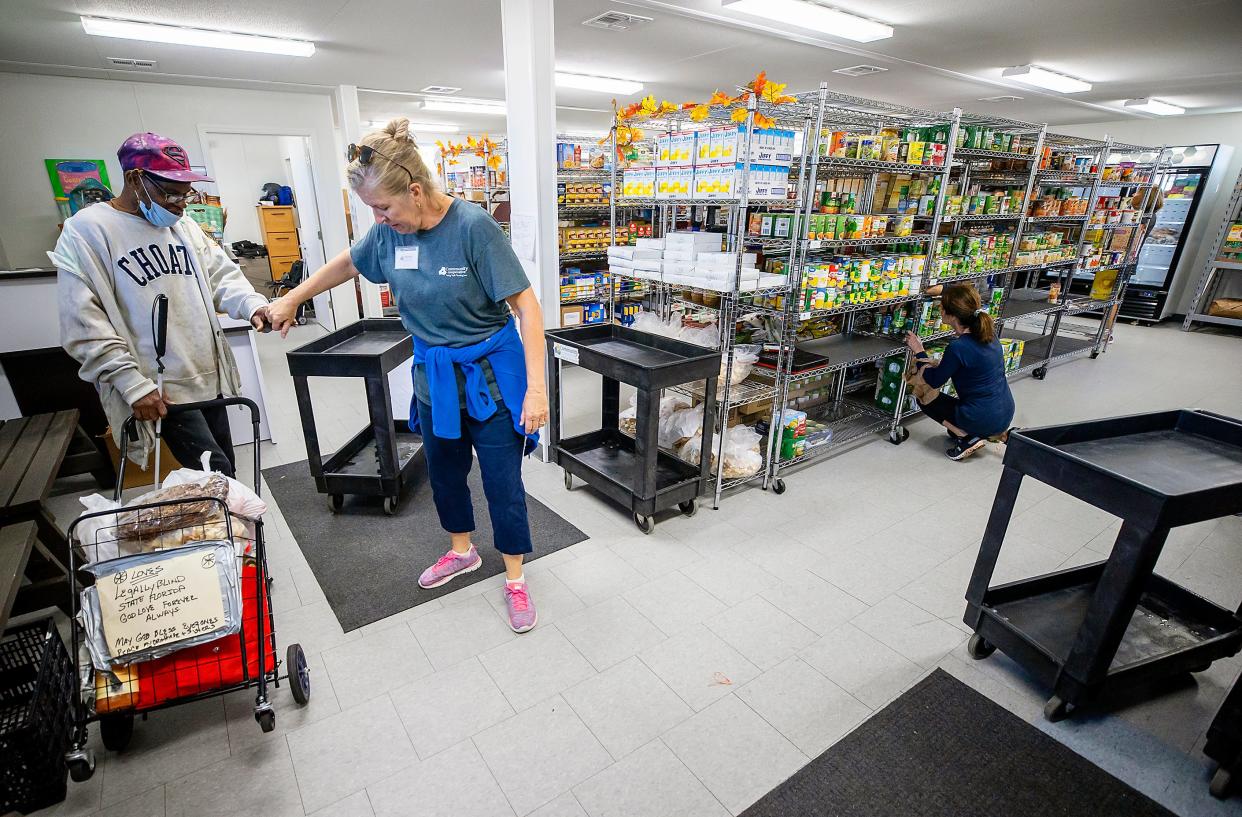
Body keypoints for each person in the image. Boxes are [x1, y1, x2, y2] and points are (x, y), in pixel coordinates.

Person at [266, 118, 547, 634]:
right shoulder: (386, 234)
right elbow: (349, 262)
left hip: (490, 375)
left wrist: (535, 388)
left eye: (385, 208)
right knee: (444, 472)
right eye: (372, 210)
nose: (379, 219)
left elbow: (527, 307)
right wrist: (292, 298)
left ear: (416, 191)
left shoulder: (473, 228)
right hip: (436, 377)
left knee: (503, 481)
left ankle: (514, 577)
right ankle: (462, 551)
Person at [52, 133, 273, 478]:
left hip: (208, 376)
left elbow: (220, 276)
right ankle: (225, 529)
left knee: (223, 469)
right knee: (215, 472)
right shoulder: (87, 231)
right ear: (133, 179)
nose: (180, 203)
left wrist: (252, 305)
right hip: (159, 388)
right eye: (171, 192)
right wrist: (132, 384)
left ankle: (232, 529)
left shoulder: (183, 227)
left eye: (186, 194)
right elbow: (84, 324)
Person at [905, 283, 1015, 461]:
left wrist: (919, 350)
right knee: (954, 426)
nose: (940, 311)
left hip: (981, 416)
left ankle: (968, 438)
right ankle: (1002, 435)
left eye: (942, 308)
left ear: (952, 316)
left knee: (924, 395)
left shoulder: (958, 347)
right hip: (1005, 412)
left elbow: (934, 380)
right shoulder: (989, 334)